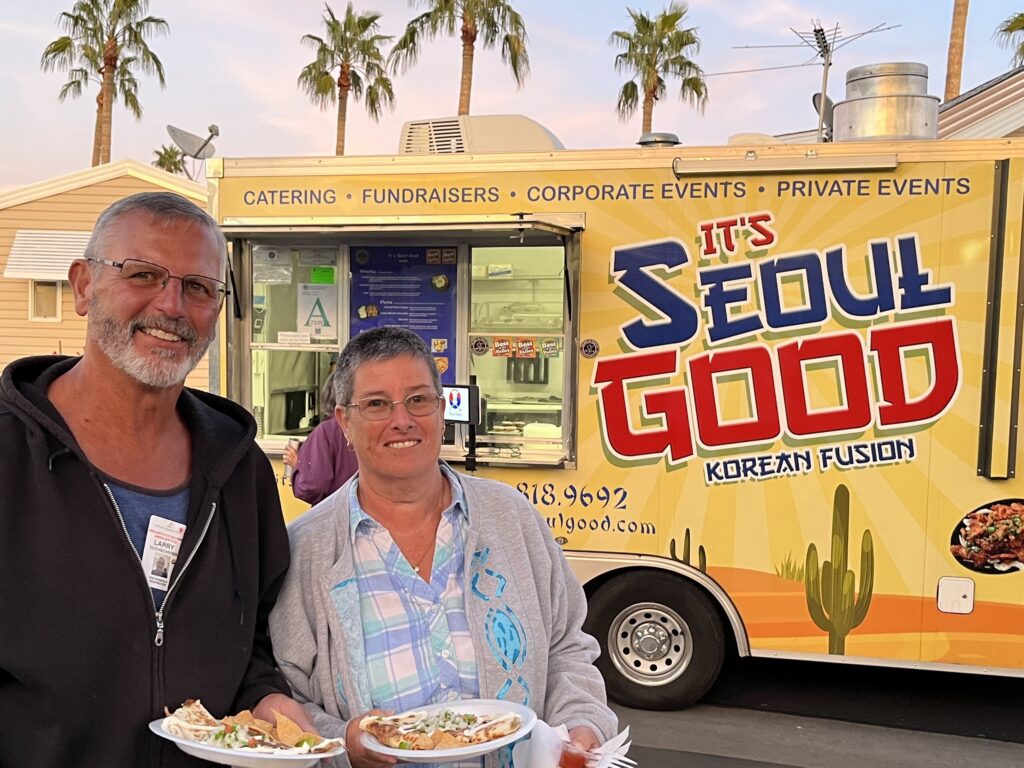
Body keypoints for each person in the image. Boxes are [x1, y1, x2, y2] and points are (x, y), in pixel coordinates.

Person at [0, 191, 313, 767]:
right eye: (143, 274)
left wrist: (267, 699)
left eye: (198, 287)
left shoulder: (240, 470)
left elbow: (255, 644)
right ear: (83, 285)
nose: (172, 305)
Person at [270, 326, 617, 768]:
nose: (402, 420)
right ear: (344, 423)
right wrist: (345, 744)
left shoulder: (511, 518)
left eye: (419, 399)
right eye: (376, 404)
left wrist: (581, 725)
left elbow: (567, 647)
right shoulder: (308, 550)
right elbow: (288, 697)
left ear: (440, 409)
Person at [283, 366, 358, 505]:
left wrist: (297, 466)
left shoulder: (324, 433)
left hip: (335, 514)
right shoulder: (367, 425)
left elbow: (312, 487)